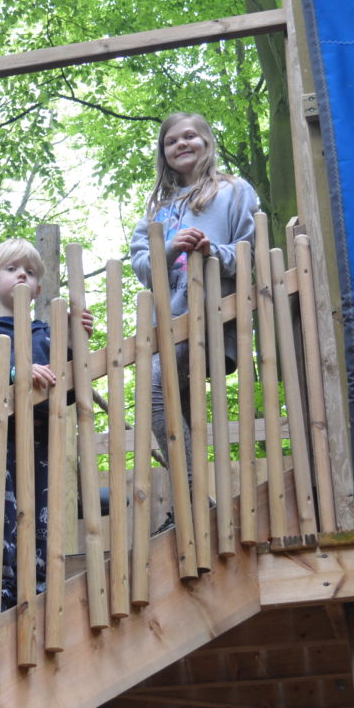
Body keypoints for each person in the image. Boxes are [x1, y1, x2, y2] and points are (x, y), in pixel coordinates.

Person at [129, 113, 260, 476]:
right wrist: (169, 248)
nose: (181, 144)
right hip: (168, 322)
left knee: (156, 397)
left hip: (210, 314)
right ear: (163, 152)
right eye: (171, 141)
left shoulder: (234, 191)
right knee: (175, 409)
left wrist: (211, 250)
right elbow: (142, 267)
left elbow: (249, 252)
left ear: (207, 142)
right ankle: (192, 502)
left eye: (189, 136)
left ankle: (190, 493)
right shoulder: (158, 208)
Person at [0, 238, 93, 612]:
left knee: (39, 513)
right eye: (12, 269)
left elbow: (69, 393)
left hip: (40, 440)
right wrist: (14, 373)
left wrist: (74, 344)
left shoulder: (48, 333)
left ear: (38, 287)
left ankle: (39, 589)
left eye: (31, 271)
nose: (22, 274)